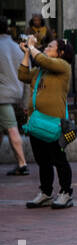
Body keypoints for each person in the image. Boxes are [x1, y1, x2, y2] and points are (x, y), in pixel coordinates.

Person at [18, 34, 73, 208]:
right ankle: (46, 193)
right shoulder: (40, 70)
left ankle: (65, 193)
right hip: (37, 123)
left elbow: (44, 60)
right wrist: (27, 52)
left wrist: (33, 46)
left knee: (59, 159)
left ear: (60, 53)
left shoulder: (63, 67)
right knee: (43, 161)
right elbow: (23, 75)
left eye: (50, 47)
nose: (46, 49)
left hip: (54, 124)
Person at [0, 17, 29, 176]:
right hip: (15, 93)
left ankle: (22, 164)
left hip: (2, 97)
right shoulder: (16, 48)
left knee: (11, 129)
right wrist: (25, 101)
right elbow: (26, 74)